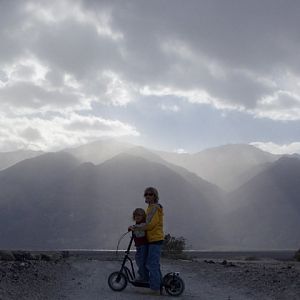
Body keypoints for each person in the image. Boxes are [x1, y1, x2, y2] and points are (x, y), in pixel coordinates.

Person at [130, 187, 164, 295]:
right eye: (146, 194)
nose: (148, 196)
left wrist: (137, 228)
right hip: (151, 239)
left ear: (155, 196)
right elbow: (145, 222)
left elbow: (150, 225)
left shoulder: (154, 207)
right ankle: (157, 283)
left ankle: (155, 288)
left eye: (151, 194)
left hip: (156, 239)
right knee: (153, 263)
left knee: (152, 263)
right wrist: (136, 226)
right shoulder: (149, 208)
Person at [131, 208, 149, 282]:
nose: (137, 217)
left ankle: (144, 277)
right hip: (139, 246)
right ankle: (143, 275)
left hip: (143, 245)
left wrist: (134, 228)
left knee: (141, 261)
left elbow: (140, 233)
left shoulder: (143, 224)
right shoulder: (137, 224)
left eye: (139, 215)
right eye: (135, 215)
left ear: (143, 216)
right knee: (138, 260)